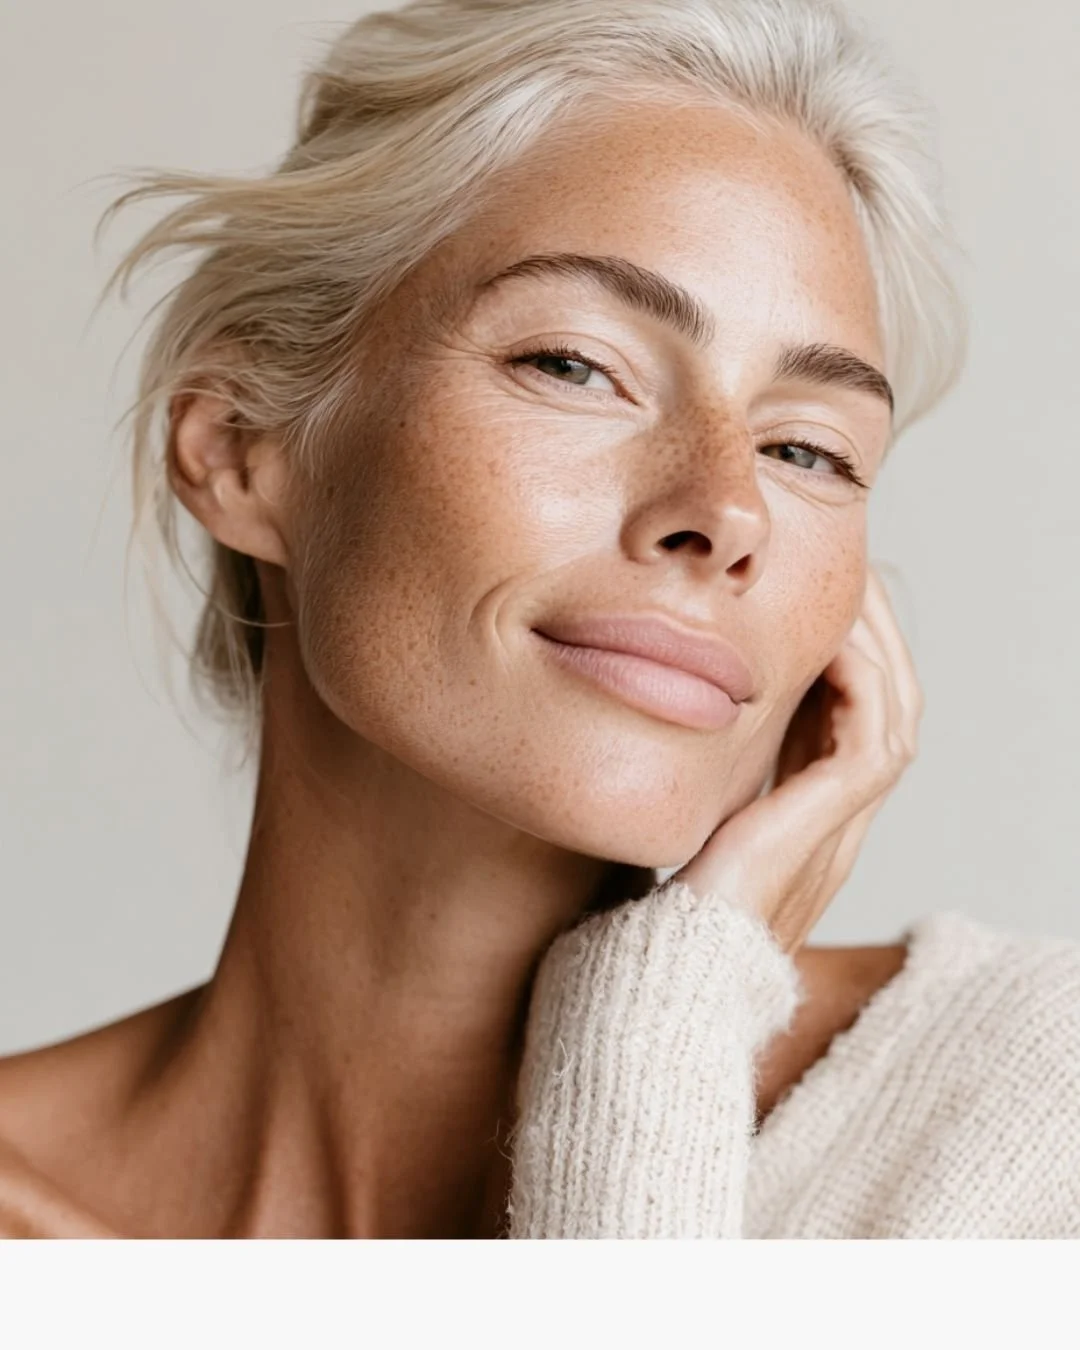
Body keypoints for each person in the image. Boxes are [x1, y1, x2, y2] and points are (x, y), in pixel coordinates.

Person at [1, 0, 1077, 1240]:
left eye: (807, 449)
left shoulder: (1033, 1118)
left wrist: (666, 1020)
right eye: (574, 365)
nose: (725, 510)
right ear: (245, 445)